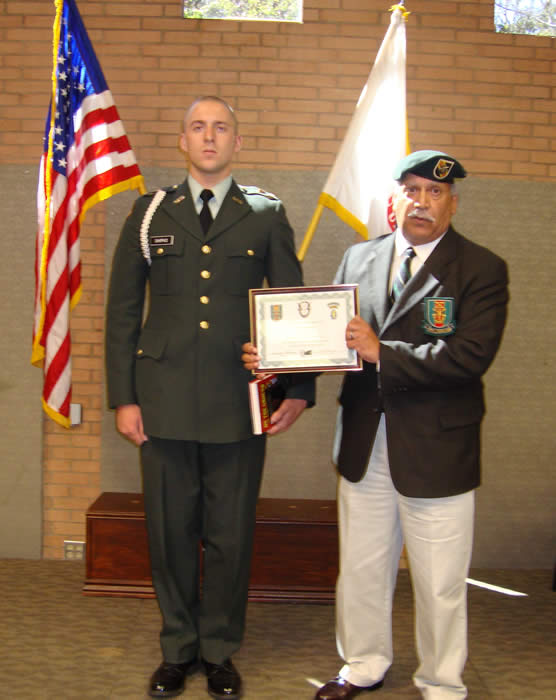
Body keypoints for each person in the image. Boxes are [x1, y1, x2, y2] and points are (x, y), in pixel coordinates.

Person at [243, 150, 509, 699]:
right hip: (366, 441)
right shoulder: (359, 258)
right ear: (395, 199)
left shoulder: (481, 269)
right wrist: (279, 358)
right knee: (362, 568)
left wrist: (381, 350)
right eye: (411, 190)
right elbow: (332, 342)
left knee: (439, 581)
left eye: (434, 193)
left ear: (452, 204)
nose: (421, 202)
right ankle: (363, 663)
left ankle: (441, 682)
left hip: (437, 448)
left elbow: (469, 358)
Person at [105, 95, 314, 700]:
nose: (209, 136)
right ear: (182, 140)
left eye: (221, 127)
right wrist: (124, 397)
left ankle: (220, 649)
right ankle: (178, 648)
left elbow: (293, 305)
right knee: (170, 532)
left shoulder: (265, 214)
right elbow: (122, 313)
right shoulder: (149, 214)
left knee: (230, 532)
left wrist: (295, 390)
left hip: (239, 400)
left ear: (237, 143)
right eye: (198, 127)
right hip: (162, 399)